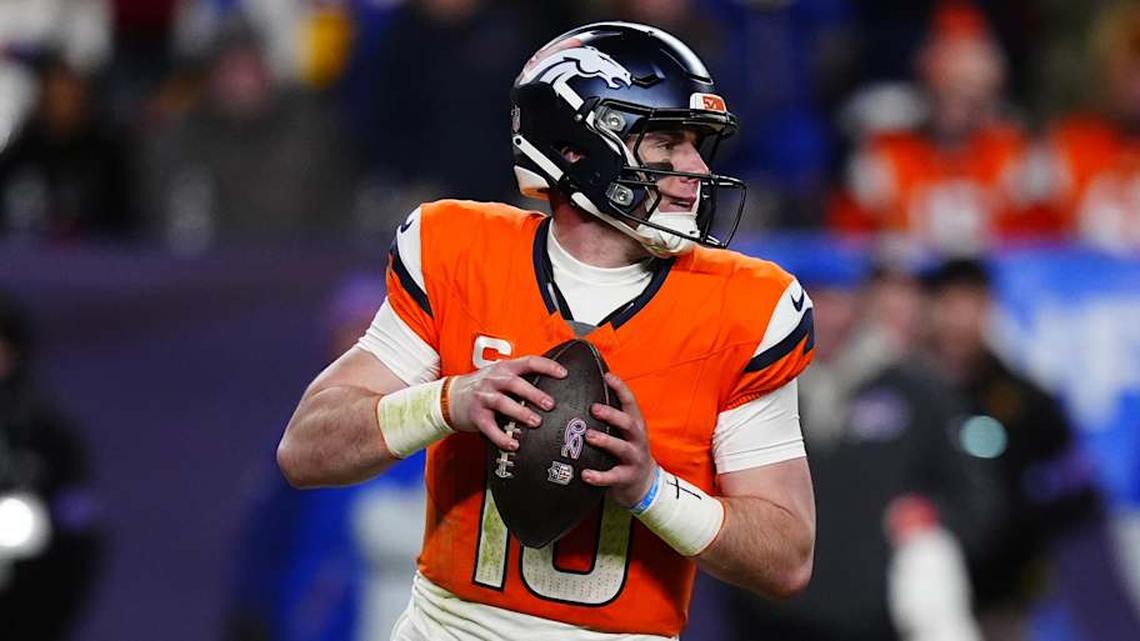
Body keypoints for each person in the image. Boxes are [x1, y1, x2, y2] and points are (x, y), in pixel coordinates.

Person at [277, 22, 817, 641]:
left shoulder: (746, 307)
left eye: (696, 143)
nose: (694, 168)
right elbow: (305, 451)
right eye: (665, 142)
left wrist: (652, 490)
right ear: (574, 149)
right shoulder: (459, 253)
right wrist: (449, 400)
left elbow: (788, 556)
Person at [716, 258, 997, 641]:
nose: (827, 315)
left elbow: (976, 499)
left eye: (839, 300)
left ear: (862, 304)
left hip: (879, 621)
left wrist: (935, 519)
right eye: (815, 299)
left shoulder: (914, 388)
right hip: (769, 619)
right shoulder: (760, 388)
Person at [924, 258, 1138, 641]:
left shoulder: (1025, 399)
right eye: (948, 303)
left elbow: (1074, 489)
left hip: (1001, 592)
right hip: (920, 585)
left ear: (988, 308)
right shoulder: (906, 391)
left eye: (969, 303)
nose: (958, 318)